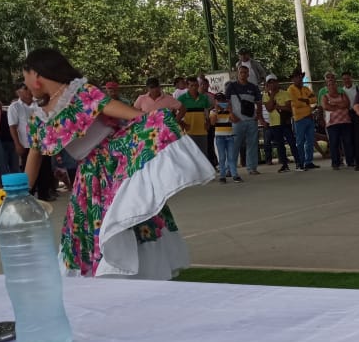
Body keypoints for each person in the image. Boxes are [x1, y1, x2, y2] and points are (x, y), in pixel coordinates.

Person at [21, 48, 214, 277]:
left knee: (130, 215)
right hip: (89, 178)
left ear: (36, 75)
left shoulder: (83, 93)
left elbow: (130, 114)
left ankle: (138, 274)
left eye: (25, 76)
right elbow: (34, 156)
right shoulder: (39, 118)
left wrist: (155, 122)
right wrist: (19, 193)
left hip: (116, 164)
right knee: (93, 227)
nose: (25, 82)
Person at [211, 92, 240, 183]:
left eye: (222, 100)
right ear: (215, 101)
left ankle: (235, 175)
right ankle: (222, 176)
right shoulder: (213, 111)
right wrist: (217, 110)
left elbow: (235, 120)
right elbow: (213, 122)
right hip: (219, 137)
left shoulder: (229, 110)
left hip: (229, 136)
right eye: (218, 100)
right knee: (222, 157)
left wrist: (230, 111)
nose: (221, 102)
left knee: (231, 157)